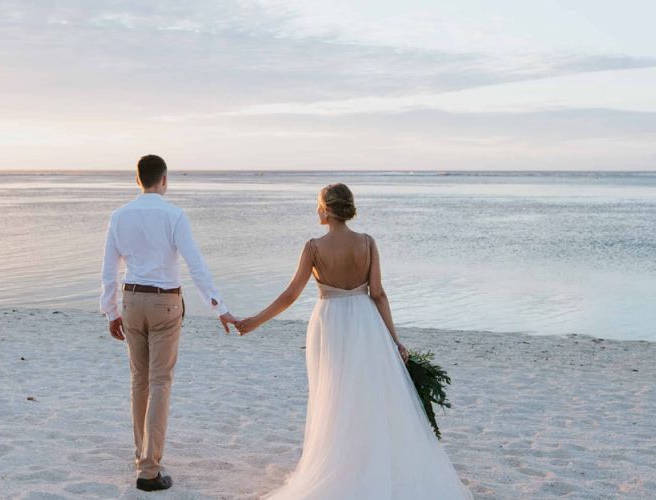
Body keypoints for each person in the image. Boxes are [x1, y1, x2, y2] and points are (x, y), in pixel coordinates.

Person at [236, 183, 470, 499]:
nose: (316, 210)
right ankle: (367, 464)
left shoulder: (313, 247)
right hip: (366, 322)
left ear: (327, 209)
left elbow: (291, 294)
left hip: (329, 322)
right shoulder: (367, 243)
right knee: (367, 395)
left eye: (318, 204)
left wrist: (254, 321)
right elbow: (379, 294)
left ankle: (340, 465)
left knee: (333, 395)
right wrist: (394, 339)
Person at [98, 154, 241, 492]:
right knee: (160, 382)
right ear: (163, 180)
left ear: (138, 180)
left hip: (132, 300)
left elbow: (108, 269)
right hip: (164, 303)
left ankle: (141, 453)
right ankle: (149, 469)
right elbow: (195, 263)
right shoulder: (174, 215)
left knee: (139, 380)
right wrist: (219, 306)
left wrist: (110, 310)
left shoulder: (119, 216)